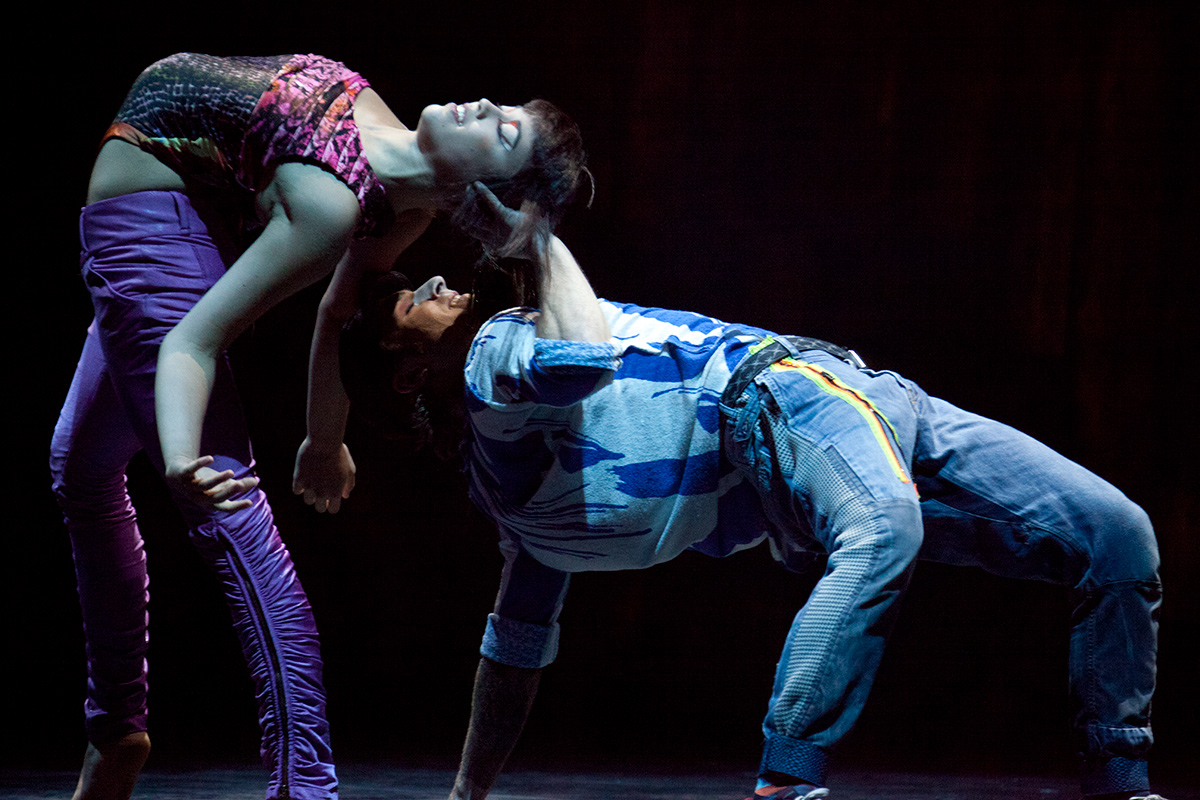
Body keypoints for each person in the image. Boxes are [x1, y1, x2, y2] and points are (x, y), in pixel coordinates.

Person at [346, 188, 1164, 800]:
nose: (439, 282)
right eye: (407, 298)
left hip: (865, 399)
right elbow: (581, 365)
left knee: (1116, 536)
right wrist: (533, 238)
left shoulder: (524, 511)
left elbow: (517, 643)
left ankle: (1120, 783)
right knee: (885, 529)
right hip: (791, 394)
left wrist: (466, 796)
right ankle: (786, 781)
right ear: (411, 374)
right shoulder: (497, 351)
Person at [49, 53, 586, 800]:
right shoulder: (391, 168)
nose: (485, 101)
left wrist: (180, 456)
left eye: (502, 133)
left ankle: (305, 788)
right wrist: (324, 439)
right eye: (505, 106)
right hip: (175, 208)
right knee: (79, 468)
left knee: (226, 507)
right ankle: (116, 728)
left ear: (477, 190)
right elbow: (338, 312)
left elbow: (193, 342)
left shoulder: (343, 208)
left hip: (149, 221)